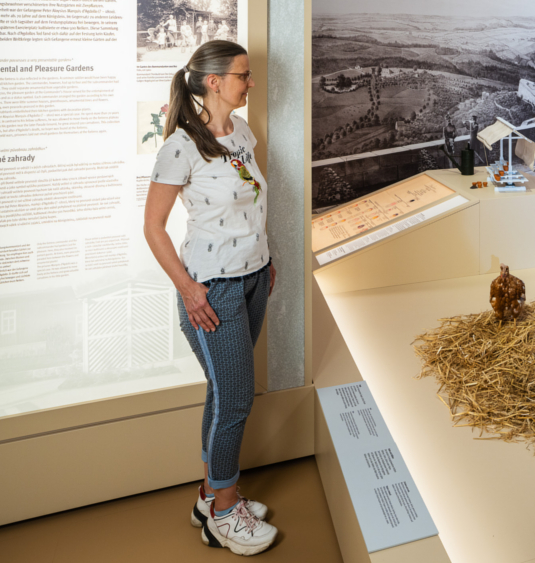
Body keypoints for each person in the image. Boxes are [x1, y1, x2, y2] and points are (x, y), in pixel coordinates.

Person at [143, 40, 278, 556]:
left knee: (223, 394)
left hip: (253, 276)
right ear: (214, 82)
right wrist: (188, 288)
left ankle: (210, 493)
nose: (250, 83)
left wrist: (269, 257)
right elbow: (153, 227)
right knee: (237, 399)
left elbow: (250, 202)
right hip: (213, 289)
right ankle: (225, 511)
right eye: (243, 75)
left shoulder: (241, 132)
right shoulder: (180, 146)